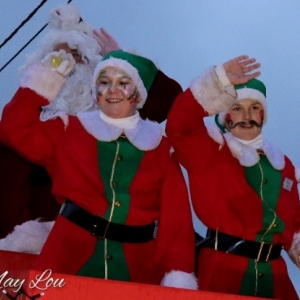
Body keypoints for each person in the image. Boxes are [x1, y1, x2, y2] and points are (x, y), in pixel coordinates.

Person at [0, 46, 197, 288]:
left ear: (138, 94)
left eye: (123, 82)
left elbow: (176, 220)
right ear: (96, 93)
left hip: (137, 266)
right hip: (67, 255)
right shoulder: (68, 129)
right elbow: (14, 129)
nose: (112, 89)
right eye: (104, 82)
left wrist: (177, 273)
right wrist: (51, 70)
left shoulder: (160, 146)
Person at [0, 4, 182, 241]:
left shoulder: (113, 114)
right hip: (36, 247)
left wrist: (123, 61)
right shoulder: (25, 127)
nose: (69, 65)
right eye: (58, 59)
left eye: (77, 55)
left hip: (112, 239)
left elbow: (170, 102)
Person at [166, 55, 300, 299]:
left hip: (276, 278)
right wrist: (218, 81)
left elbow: (295, 226)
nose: (246, 116)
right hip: (223, 272)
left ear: (263, 115)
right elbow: (179, 125)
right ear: (225, 115)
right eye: (237, 108)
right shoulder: (209, 149)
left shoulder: (283, 164)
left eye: (254, 108)